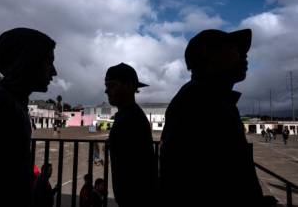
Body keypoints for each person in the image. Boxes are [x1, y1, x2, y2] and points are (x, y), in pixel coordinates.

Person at [160, 29, 266, 207]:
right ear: (208, 54)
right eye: (235, 48)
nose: (244, 56)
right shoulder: (200, 101)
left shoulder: (213, 97)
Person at [0, 28, 57, 207]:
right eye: (49, 62)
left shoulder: (14, 104)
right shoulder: (4, 107)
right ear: (28, 61)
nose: (54, 72)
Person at [104, 63, 156, 207]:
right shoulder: (127, 114)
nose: (106, 91)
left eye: (112, 85)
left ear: (129, 86)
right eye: (107, 85)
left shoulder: (130, 118)